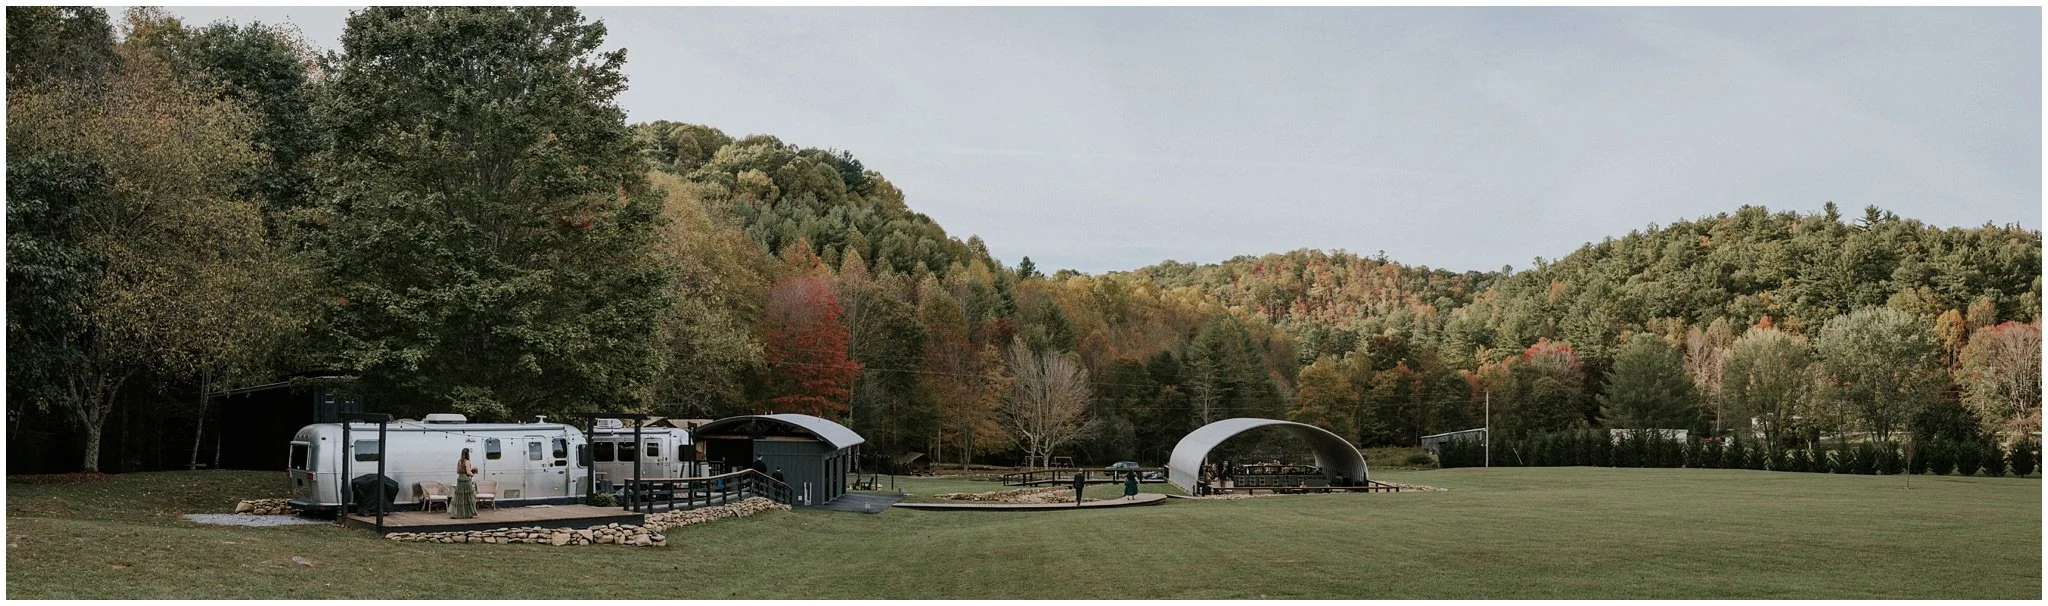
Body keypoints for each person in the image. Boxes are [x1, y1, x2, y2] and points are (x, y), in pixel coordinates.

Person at [450, 448, 479, 519]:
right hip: (466, 480)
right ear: (467, 454)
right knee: (468, 497)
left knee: (460, 497)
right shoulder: (467, 462)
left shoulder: (459, 461)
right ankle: (469, 513)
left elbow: (457, 471)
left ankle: (458, 513)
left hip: (460, 480)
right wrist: (473, 474)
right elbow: (468, 472)